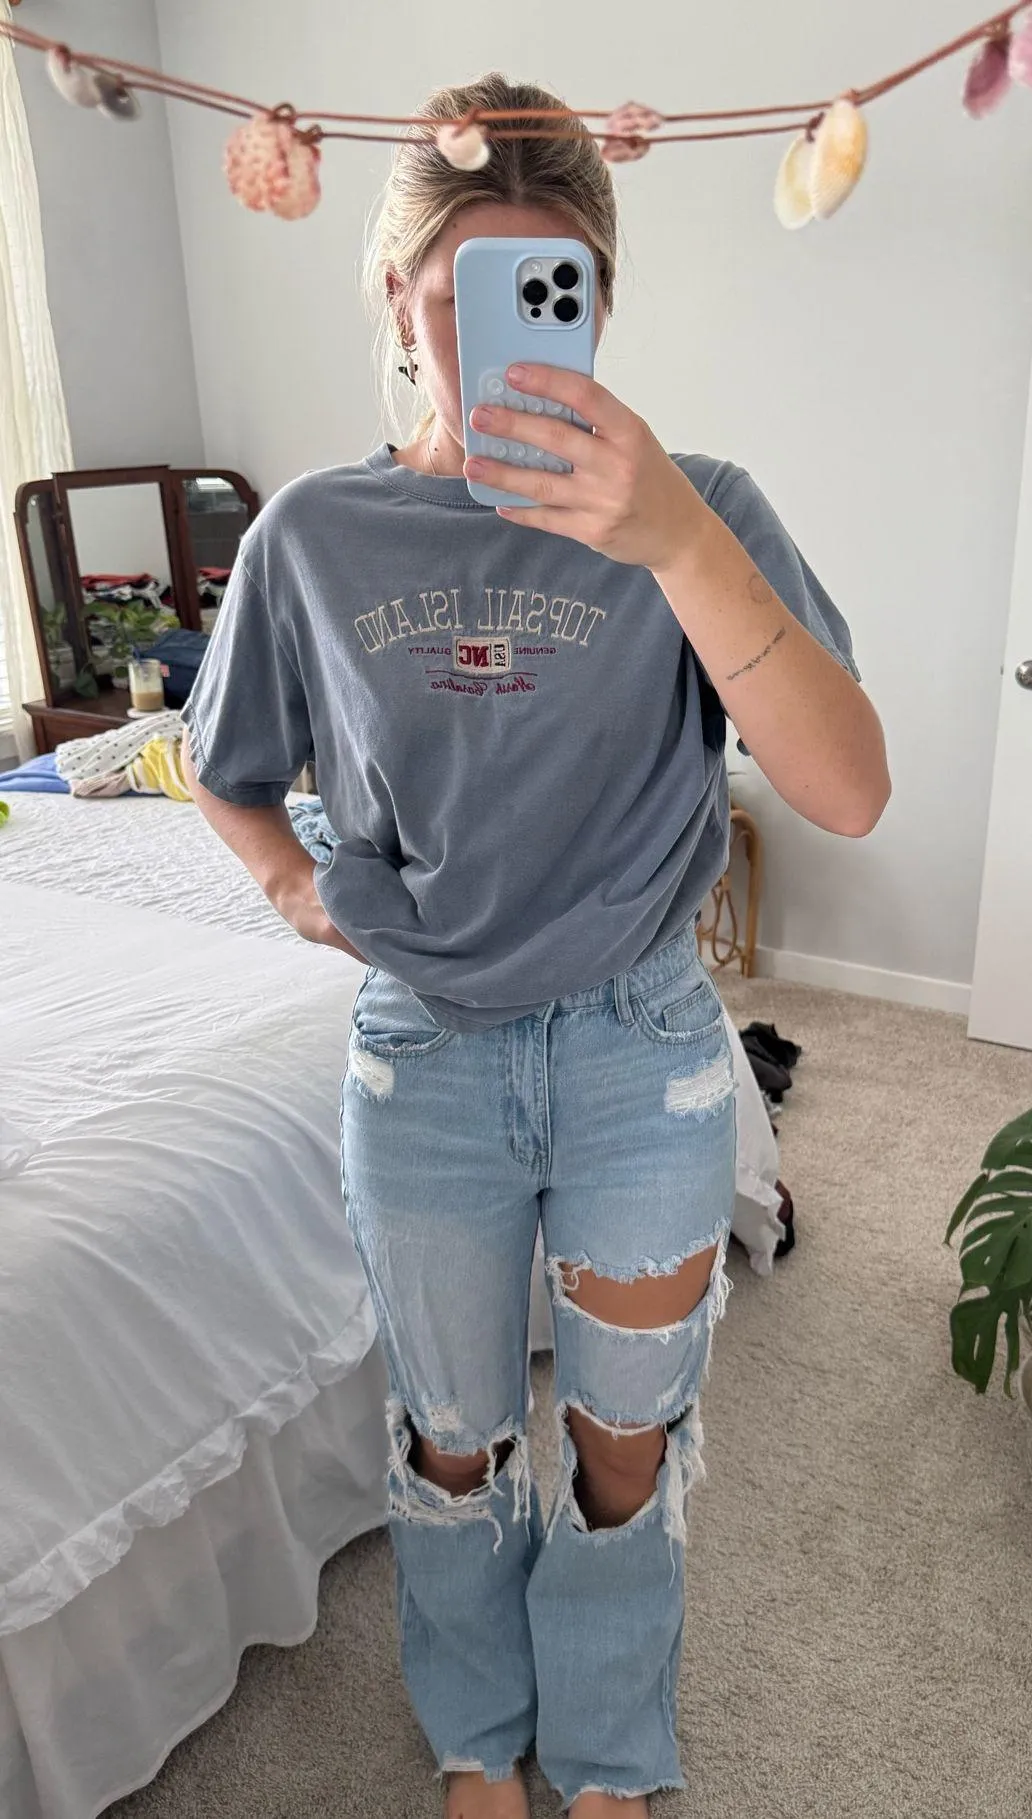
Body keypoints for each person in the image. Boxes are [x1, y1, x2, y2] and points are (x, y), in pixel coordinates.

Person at [182, 70, 890, 1819]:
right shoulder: (312, 534)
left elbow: (850, 787)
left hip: (643, 1051)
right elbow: (225, 766)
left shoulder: (701, 506)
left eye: (551, 288)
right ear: (396, 300)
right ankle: (478, 1733)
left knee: (624, 1437)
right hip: (422, 1051)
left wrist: (673, 540)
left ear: (598, 301)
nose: (498, 332)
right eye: (459, 293)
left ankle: (609, 1747)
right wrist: (293, 891)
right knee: (451, 1430)